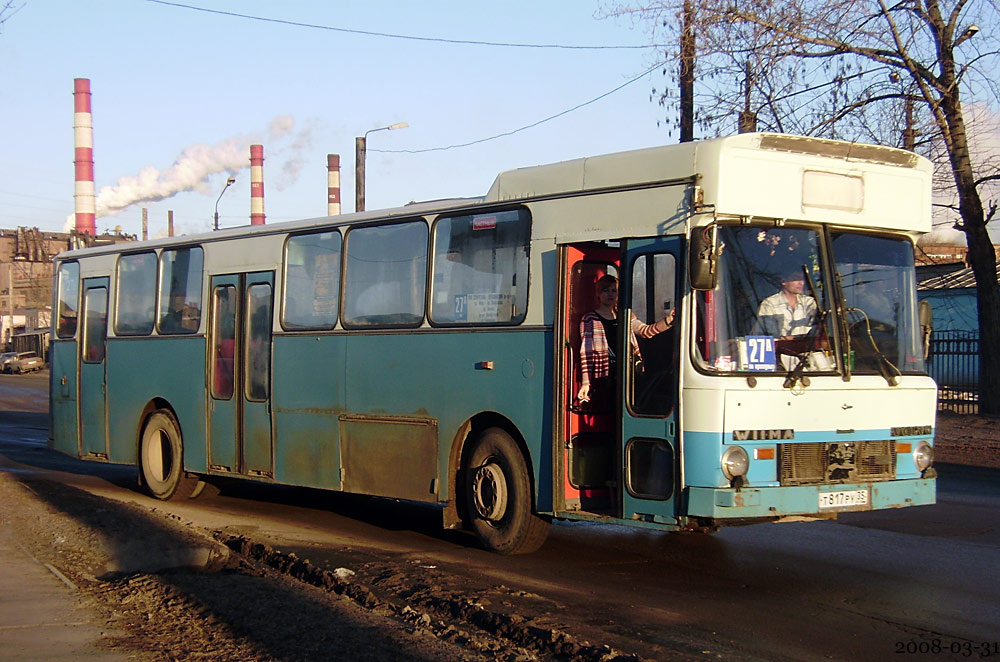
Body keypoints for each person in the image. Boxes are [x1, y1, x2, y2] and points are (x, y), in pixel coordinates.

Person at [577, 274, 674, 407]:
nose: (610, 294)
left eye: (614, 290)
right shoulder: (589, 319)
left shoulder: (626, 316)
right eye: (606, 290)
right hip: (605, 373)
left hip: (628, 372)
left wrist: (667, 322)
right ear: (598, 294)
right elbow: (586, 352)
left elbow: (645, 331)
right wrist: (586, 382)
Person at [754, 267, 817, 339]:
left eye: (802, 279)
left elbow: (815, 331)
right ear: (784, 281)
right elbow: (768, 337)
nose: (801, 283)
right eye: (796, 279)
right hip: (779, 349)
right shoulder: (769, 304)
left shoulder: (808, 303)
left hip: (808, 348)